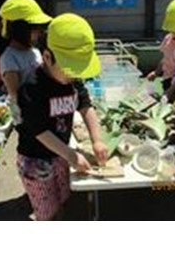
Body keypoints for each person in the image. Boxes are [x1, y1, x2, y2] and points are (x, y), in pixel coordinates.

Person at [16, 13, 108, 220]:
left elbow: (86, 106)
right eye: (69, 69)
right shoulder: (31, 88)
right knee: (47, 209)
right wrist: (71, 155)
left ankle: (58, 214)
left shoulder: (72, 81)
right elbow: (39, 130)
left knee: (63, 196)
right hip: (35, 159)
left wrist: (97, 140)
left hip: (60, 153)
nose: (74, 76)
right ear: (47, 57)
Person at [0, 0, 52, 123]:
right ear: (20, 29)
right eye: (35, 28)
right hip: (28, 117)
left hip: (42, 109)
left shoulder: (34, 51)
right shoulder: (9, 58)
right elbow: (15, 95)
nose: (39, 32)